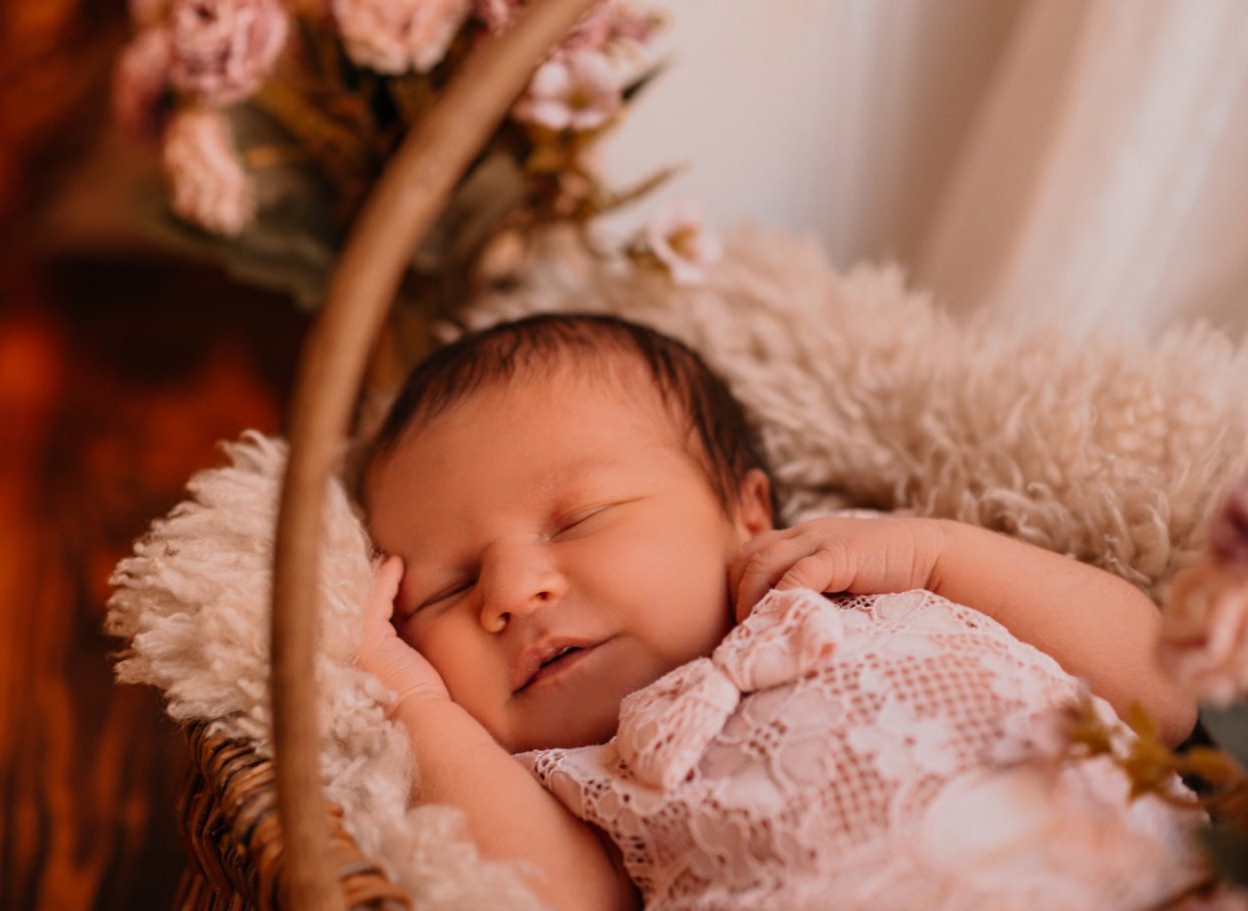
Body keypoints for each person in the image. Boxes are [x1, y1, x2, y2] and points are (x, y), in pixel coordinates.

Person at [355, 313, 1197, 910]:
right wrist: (416, 702)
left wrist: (939, 552)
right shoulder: (568, 783)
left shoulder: (872, 568)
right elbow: (551, 898)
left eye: (577, 520)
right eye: (443, 590)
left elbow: (1163, 686)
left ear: (748, 513)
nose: (506, 591)